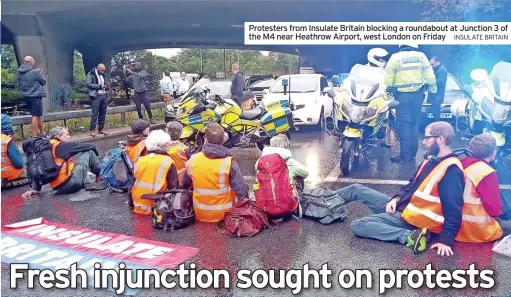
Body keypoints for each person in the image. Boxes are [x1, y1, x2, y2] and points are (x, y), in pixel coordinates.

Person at [337, 122, 464, 256]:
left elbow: (454, 208)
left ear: (440, 139)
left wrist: (446, 241)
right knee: (355, 189)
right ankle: (320, 201)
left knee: (358, 225)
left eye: (427, 138)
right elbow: (411, 184)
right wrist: (396, 198)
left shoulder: (451, 170)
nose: (423, 142)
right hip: (405, 207)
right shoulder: (431, 159)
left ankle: (411, 236)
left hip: (415, 221)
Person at [182, 123, 249, 222]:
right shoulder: (229, 162)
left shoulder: (192, 160)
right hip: (225, 215)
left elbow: (185, 184)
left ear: (205, 139)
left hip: (200, 213)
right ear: (223, 140)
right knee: (243, 185)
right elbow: (241, 190)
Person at [383, 43, 437, 163]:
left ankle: (405, 155)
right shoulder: (422, 56)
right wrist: (433, 90)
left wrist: (388, 91)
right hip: (418, 95)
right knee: (414, 123)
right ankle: (413, 153)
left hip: (402, 96)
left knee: (404, 125)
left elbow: (387, 78)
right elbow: (430, 76)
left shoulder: (396, 57)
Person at [22, 127, 102, 197]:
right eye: (67, 135)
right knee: (89, 152)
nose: (69, 137)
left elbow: (42, 167)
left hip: (58, 188)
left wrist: (35, 189)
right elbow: (90, 146)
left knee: (74, 164)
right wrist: (95, 152)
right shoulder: (61, 145)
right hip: (70, 183)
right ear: (58, 136)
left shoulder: (47, 147)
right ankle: (100, 176)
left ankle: (86, 182)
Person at [459, 134, 510, 238]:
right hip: (476, 227)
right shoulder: (486, 173)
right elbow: (493, 209)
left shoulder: (460, 164)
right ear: (493, 152)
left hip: (455, 224)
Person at [130, 130, 179, 215]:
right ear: (161, 145)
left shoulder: (139, 160)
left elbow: (132, 183)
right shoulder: (168, 161)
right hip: (157, 206)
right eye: (167, 143)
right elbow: (173, 187)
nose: (169, 146)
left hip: (138, 204)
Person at [18, 56, 46, 137]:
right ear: (31, 62)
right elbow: (43, 82)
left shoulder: (20, 72)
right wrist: (38, 72)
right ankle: (34, 137)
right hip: (35, 96)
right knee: (35, 116)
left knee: (39, 115)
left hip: (26, 96)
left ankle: (42, 133)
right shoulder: (35, 72)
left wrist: (36, 71)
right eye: (33, 62)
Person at [1, 114, 27, 187]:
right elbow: (18, 164)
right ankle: (10, 184)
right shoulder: (7, 141)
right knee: (32, 174)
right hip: (8, 172)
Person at [86, 63, 109, 137]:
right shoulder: (91, 74)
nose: (102, 72)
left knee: (103, 113)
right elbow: (88, 84)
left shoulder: (103, 74)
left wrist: (106, 86)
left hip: (104, 95)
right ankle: (92, 130)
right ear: (97, 68)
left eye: (103, 71)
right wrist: (99, 86)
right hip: (96, 96)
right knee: (95, 114)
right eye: (101, 70)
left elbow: (104, 84)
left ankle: (100, 129)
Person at [429, 57, 448, 122]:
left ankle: (437, 127)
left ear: (437, 62)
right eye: (430, 65)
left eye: (432, 64)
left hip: (437, 95)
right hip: (434, 94)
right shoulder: (437, 69)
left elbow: (441, 82)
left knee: (436, 113)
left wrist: (430, 81)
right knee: (434, 113)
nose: (431, 66)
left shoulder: (441, 70)